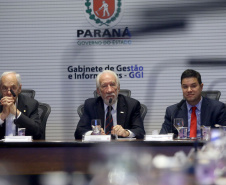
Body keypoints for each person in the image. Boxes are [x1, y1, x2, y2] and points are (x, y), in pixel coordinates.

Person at [75, 70, 145, 139]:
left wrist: (126, 132)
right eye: (104, 86)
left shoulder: (132, 105)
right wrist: (92, 133)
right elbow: (79, 132)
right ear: (99, 91)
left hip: (123, 148)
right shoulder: (91, 105)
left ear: (118, 88)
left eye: (112, 85)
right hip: (98, 148)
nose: (109, 90)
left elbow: (140, 131)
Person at [160, 69, 226, 138]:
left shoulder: (217, 109)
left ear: (201, 87)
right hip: (181, 148)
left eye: (193, 86)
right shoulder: (172, 111)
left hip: (208, 147)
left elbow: (223, 137)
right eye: (185, 87)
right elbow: (162, 137)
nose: (189, 90)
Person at [0, 71, 43, 139]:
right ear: (0, 89)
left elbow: (38, 132)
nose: (8, 93)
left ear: (19, 89)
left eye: (13, 88)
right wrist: (2, 116)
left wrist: (17, 113)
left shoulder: (31, 104)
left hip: (22, 148)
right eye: (4, 88)